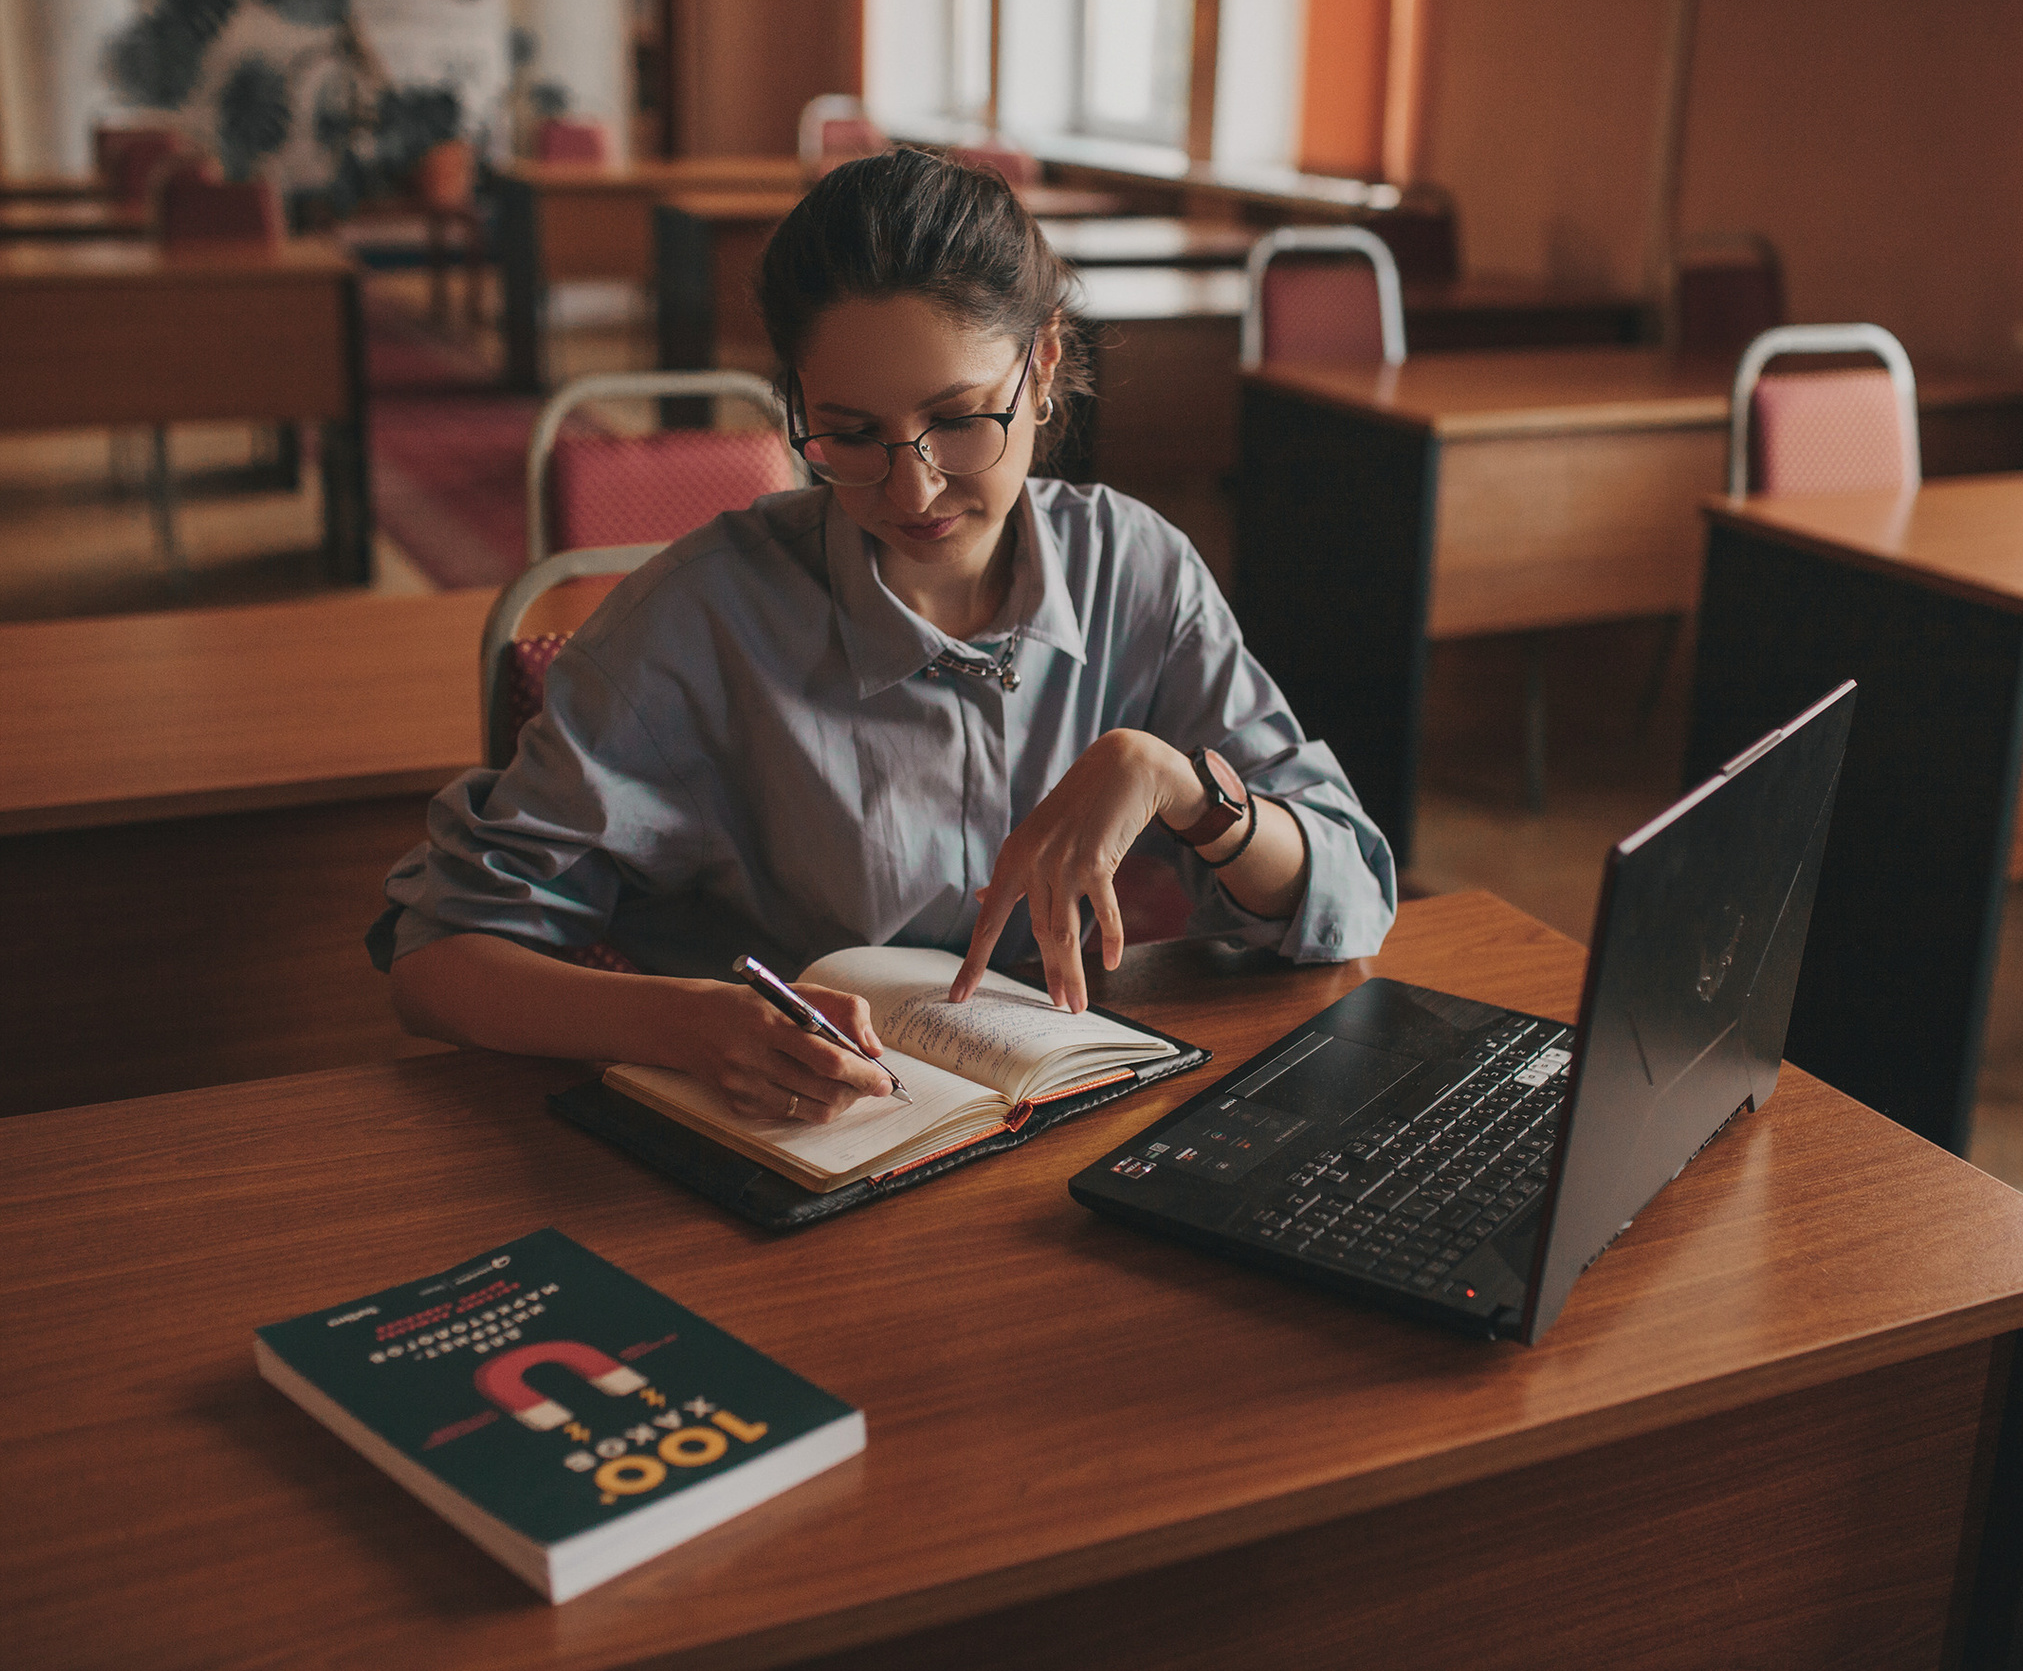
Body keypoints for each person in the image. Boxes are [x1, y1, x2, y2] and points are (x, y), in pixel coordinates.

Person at [376, 150, 1394, 1126]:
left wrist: (1187, 789)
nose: (912, 491)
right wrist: (681, 1022)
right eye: (850, 434)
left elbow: (1350, 893)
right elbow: (438, 963)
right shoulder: (696, 621)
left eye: (959, 421)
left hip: (1042, 1128)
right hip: (786, 1142)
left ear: (1040, 364)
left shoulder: (1134, 570)